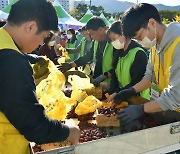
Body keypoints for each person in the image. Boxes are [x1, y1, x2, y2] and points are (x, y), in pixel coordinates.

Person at [0, 0, 80, 153]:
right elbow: (35, 126)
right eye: (44, 36)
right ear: (30, 26)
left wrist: (32, 59)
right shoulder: (12, 61)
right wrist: (70, 132)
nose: (41, 43)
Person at [114, 3, 180, 125]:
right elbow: (150, 77)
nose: (140, 42)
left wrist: (141, 109)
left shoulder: (178, 44)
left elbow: (177, 95)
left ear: (152, 23)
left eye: (139, 36)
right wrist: (131, 90)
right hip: (169, 111)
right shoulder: (155, 46)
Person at [60, 17, 113, 85]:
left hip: (109, 84)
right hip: (97, 80)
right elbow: (88, 56)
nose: (91, 37)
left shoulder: (114, 43)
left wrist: (105, 76)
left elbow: (117, 67)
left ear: (100, 29)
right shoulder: (96, 42)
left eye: (92, 34)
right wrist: (71, 65)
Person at [106, 21, 149, 102]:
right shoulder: (119, 53)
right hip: (123, 97)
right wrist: (113, 91)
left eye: (114, 39)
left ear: (123, 34)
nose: (113, 43)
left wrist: (119, 93)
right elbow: (115, 75)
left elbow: (138, 81)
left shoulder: (138, 54)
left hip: (137, 100)